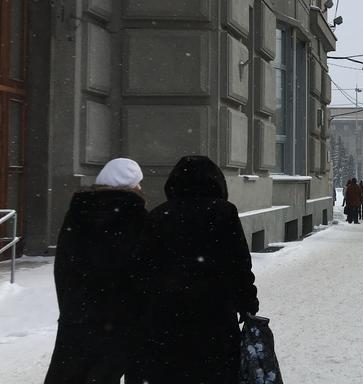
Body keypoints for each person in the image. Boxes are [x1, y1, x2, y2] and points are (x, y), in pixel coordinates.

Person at [131, 155, 259, 384]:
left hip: (167, 318)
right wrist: (247, 301)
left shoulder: (159, 215)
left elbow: (142, 269)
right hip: (215, 316)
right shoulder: (224, 212)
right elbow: (239, 263)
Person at [44, 158, 147, 384]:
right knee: (105, 373)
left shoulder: (79, 210)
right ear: (128, 184)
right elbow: (139, 268)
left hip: (78, 312)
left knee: (70, 372)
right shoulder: (135, 215)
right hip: (118, 315)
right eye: (137, 182)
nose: (140, 187)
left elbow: (64, 264)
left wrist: (71, 304)